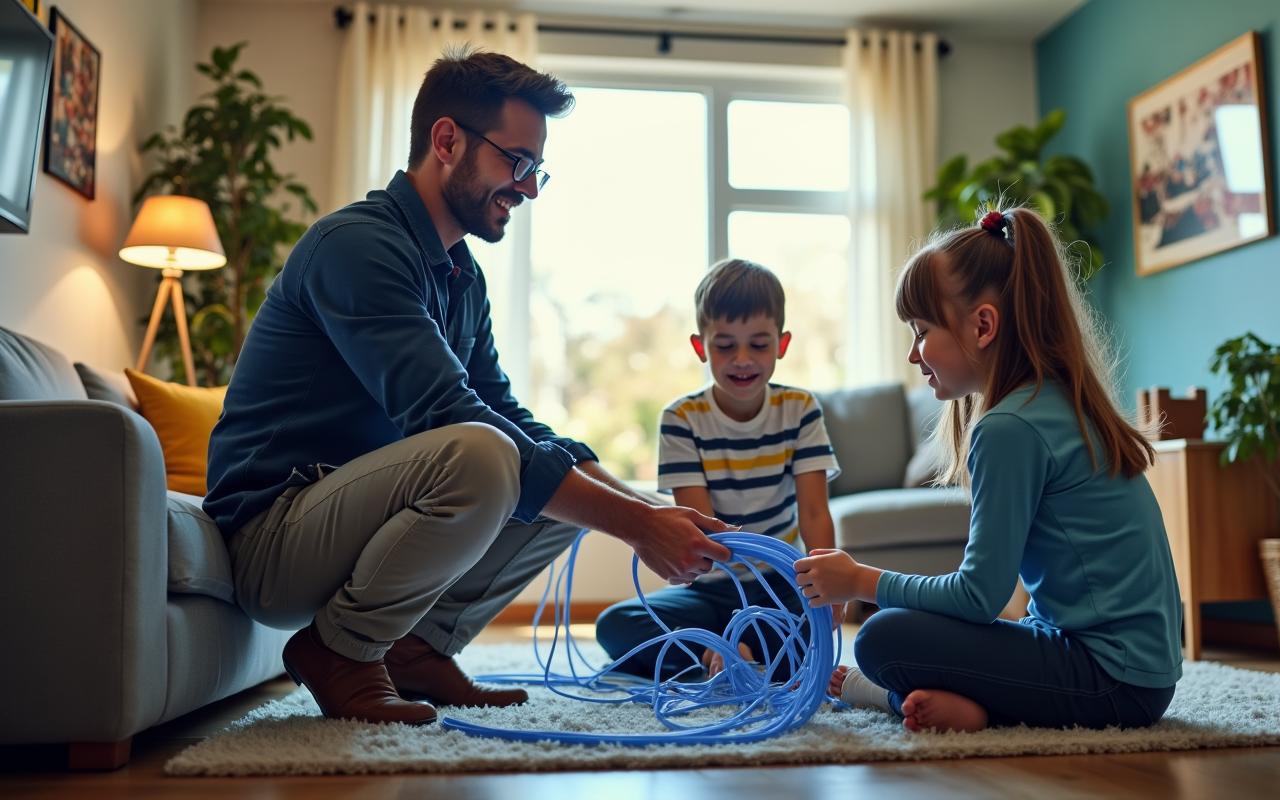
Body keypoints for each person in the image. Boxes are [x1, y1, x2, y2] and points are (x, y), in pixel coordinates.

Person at [203, 49, 732, 727]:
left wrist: (650, 512)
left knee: (564, 472)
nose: (530, 188)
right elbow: (446, 414)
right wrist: (635, 528)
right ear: (447, 140)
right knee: (484, 456)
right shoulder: (357, 247)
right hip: (274, 539)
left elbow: (510, 415)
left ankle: (415, 647)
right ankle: (341, 650)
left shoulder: (460, 276)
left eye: (537, 169)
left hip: (344, 522)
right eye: (517, 163)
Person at [794, 207, 1182, 733]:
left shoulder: (1009, 428)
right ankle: (979, 705)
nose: (913, 354)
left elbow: (979, 598)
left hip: (1112, 683)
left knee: (880, 639)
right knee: (908, 633)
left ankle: (896, 699)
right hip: (1142, 678)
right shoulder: (1055, 403)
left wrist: (857, 579)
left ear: (982, 325)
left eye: (921, 330)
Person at [595, 259, 841, 680]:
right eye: (725, 345)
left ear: (781, 345)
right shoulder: (681, 418)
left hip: (778, 583)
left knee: (811, 619)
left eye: (759, 345)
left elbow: (815, 514)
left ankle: (729, 650)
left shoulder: (801, 410)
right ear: (700, 347)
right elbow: (708, 530)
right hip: (711, 587)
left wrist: (830, 584)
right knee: (615, 625)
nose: (742, 359)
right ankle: (731, 649)